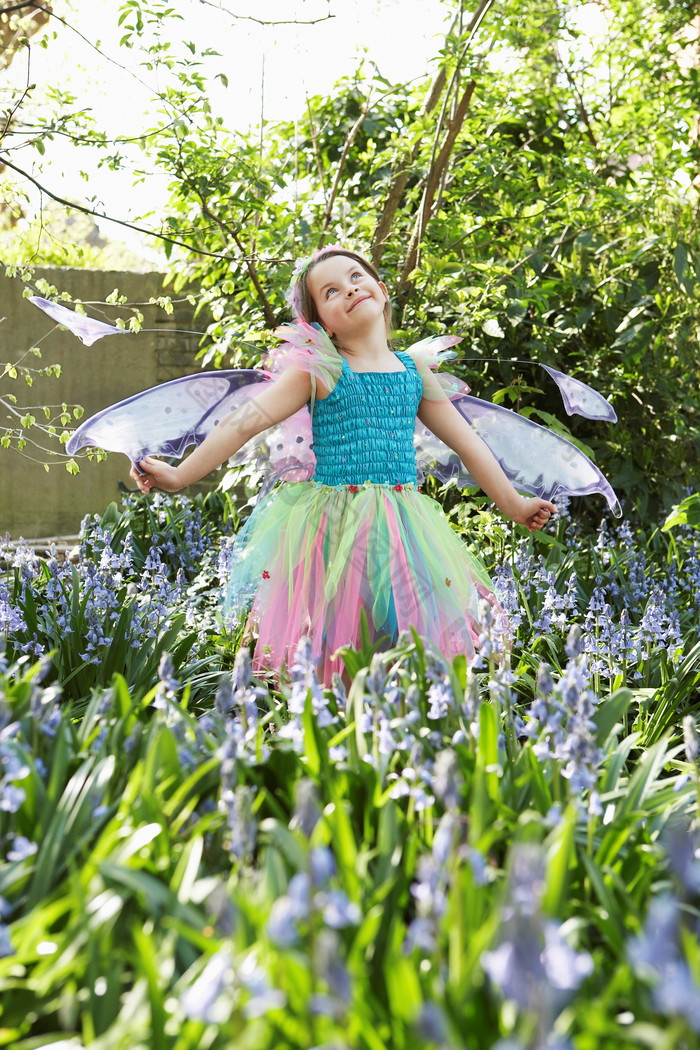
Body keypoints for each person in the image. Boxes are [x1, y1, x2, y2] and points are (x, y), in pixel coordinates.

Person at [130, 247, 555, 681]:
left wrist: (513, 505)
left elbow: (469, 444)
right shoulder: (322, 370)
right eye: (331, 291)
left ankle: (401, 735)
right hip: (334, 531)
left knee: (411, 646)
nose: (350, 288)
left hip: (404, 529)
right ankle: (342, 733)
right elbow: (243, 423)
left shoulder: (414, 371)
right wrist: (181, 475)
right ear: (321, 326)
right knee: (344, 646)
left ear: (382, 291)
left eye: (356, 276)